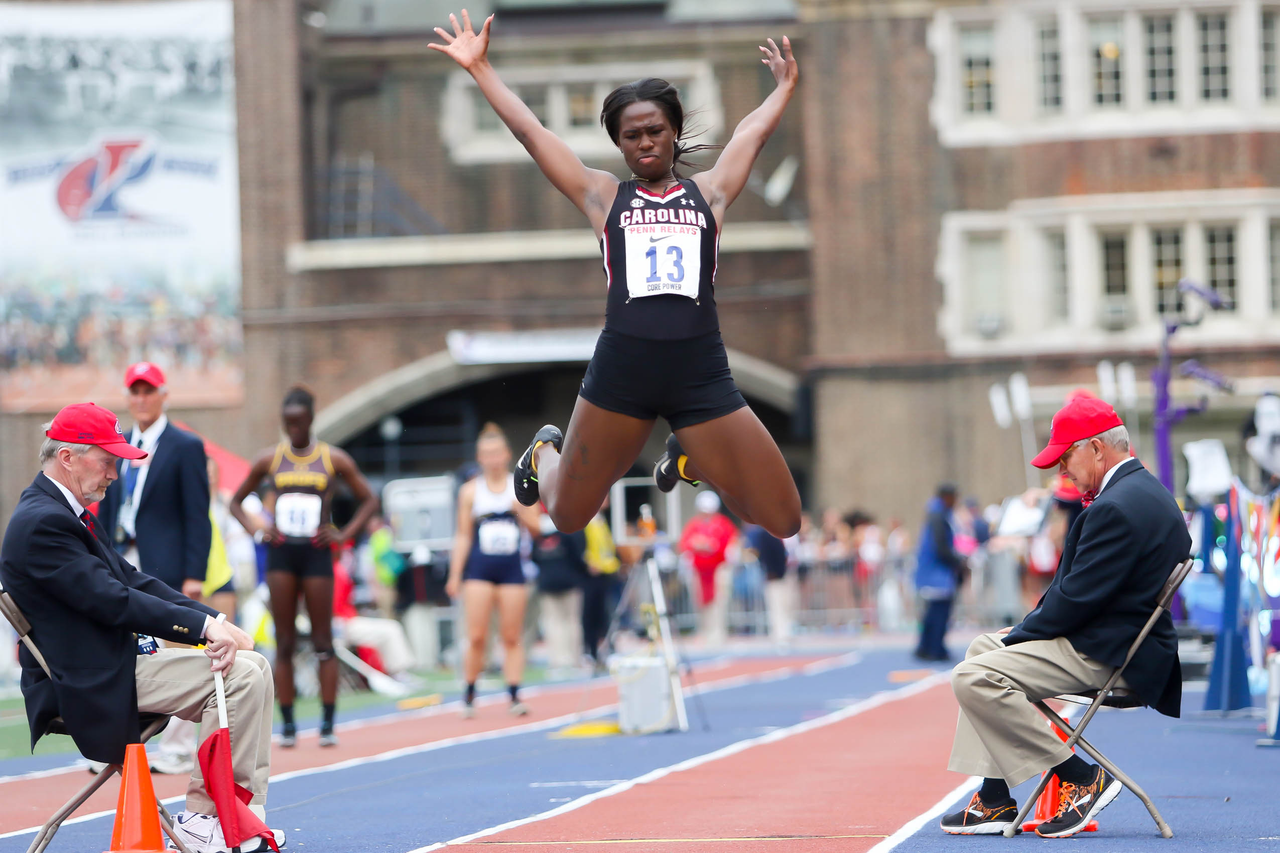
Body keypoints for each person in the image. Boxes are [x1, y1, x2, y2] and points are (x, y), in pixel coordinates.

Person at [429, 10, 802, 543]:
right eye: (632, 136)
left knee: (783, 520)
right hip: (623, 372)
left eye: (655, 131)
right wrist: (480, 68)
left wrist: (783, 89)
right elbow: (532, 134)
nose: (645, 142)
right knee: (567, 514)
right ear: (620, 144)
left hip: (700, 373)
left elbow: (752, 134)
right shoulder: (603, 196)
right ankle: (546, 451)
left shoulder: (709, 195)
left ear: (674, 133)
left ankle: (688, 461)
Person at [0, 403, 282, 853]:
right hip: (83, 680)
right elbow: (113, 600)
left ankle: (236, 817)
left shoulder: (62, 510)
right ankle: (204, 819)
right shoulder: (44, 522)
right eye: (108, 460)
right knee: (241, 675)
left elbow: (132, 580)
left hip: (106, 664)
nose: (116, 473)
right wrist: (205, 627)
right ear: (68, 457)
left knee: (254, 665)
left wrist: (216, 622)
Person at [940, 397, 1189, 838]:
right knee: (982, 648)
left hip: (1108, 653)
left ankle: (1079, 776)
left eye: (1065, 457)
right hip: (1114, 640)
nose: (1061, 473)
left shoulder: (1116, 506)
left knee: (972, 676)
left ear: (1097, 448)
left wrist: (1020, 634)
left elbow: (1074, 600)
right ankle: (994, 797)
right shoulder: (1142, 491)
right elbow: (1081, 596)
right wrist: (1017, 635)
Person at [230, 385, 378, 748]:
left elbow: (370, 499)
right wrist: (259, 530)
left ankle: (327, 723)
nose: (293, 428)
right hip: (282, 554)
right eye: (287, 422)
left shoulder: (333, 459)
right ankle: (290, 724)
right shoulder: (271, 459)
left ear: (311, 419)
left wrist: (343, 535)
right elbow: (235, 502)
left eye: (299, 422)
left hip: (315, 554)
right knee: (284, 641)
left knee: (323, 639)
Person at [97, 361, 212, 776]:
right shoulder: (119, 444)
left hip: (166, 562)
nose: (141, 399)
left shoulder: (184, 445)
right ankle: (123, 746)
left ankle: (178, 747)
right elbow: (106, 503)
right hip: (120, 556)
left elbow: (198, 514)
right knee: (124, 647)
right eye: (135, 391)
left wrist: (194, 574)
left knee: (178, 646)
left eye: (148, 391)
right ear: (128, 397)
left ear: (163, 395)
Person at [446, 423, 542, 718]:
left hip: (512, 568)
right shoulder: (470, 491)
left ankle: (514, 695)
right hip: (479, 569)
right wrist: (454, 574)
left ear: (507, 455)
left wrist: (521, 510)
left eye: (497, 453)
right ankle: (470, 694)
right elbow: (462, 535)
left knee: (512, 636)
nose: (492, 459)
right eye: (486, 454)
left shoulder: (522, 486)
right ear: (479, 456)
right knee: (476, 636)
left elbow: (538, 530)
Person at [678, 491, 739, 646]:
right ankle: (704, 632)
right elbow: (685, 544)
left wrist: (709, 546)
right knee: (700, 602)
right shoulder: (694, 524)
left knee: (718, 602)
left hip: (718, 569)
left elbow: (729, 546)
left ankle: (717, 634)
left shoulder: (723, 523)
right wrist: (698, 545)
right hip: (698, 570)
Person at [913, 484, 964, 662]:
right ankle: (934, 648)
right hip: (937, 573)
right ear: (947, 497)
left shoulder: (935, 513)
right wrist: (957, 562)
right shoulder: (938, 515)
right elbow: (941, 546)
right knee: (938, 613)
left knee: (932, 613)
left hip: (933, 571)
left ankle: (925, 647)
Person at [531, 517, 588, 675]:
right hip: (568, 582)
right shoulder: (568, 534)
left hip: (548, 583)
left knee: (553, 623)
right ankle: (573, 659)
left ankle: (558, 661)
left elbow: (535, 558)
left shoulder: (538, 538)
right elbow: (578, 557)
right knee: (571, 621)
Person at [582, 497, 622, 668]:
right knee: (592, 615)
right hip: (592, 576)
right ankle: (591, 651)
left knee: (607, 614)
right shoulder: (586, 520)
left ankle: (606, 650)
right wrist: (586, 563)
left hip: (607, 573)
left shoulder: (602, 520)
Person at [744, 522, 792, 645]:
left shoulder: (770, 535)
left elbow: (770, 554)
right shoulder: (769, 535)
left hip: (776, 575)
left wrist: (773, 572)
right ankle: (780, 633)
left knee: (779, 606)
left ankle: (782, 633)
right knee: (777, 606)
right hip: (775, 575)